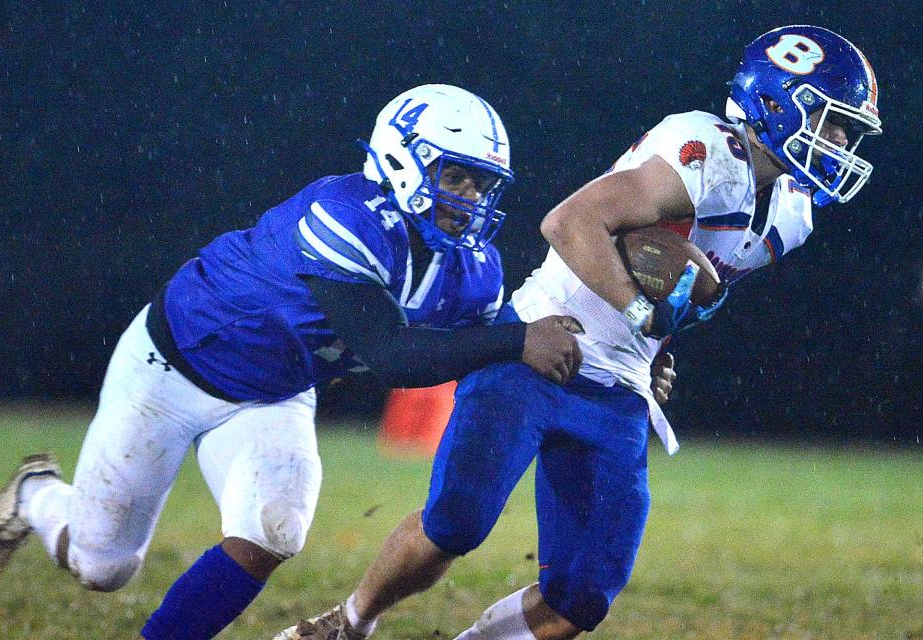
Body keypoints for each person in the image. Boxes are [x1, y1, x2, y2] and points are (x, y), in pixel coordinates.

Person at [278, 25, 882, 640]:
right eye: (833, 123)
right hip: (540, 343)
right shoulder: (700, 148)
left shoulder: (794, 213)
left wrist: (654, 347)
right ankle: (348, 623)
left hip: (617, 384)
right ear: (778, 104)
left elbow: (679, 290)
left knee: (583, 595)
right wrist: (643, 318)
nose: (840, 142)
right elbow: (569, 223)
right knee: (457, 521)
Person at [0, 84, 586, 640]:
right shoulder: (344, 215)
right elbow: (393, 355)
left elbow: (496, 360)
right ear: (402, 159)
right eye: (455, 177)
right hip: (173, 368)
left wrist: (608, 374)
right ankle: (36, 493)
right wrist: (518, 341)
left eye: (481, 183)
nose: (470, 198)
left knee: (275, 527)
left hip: (275, 391)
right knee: (102, 567)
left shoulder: (473, 270)